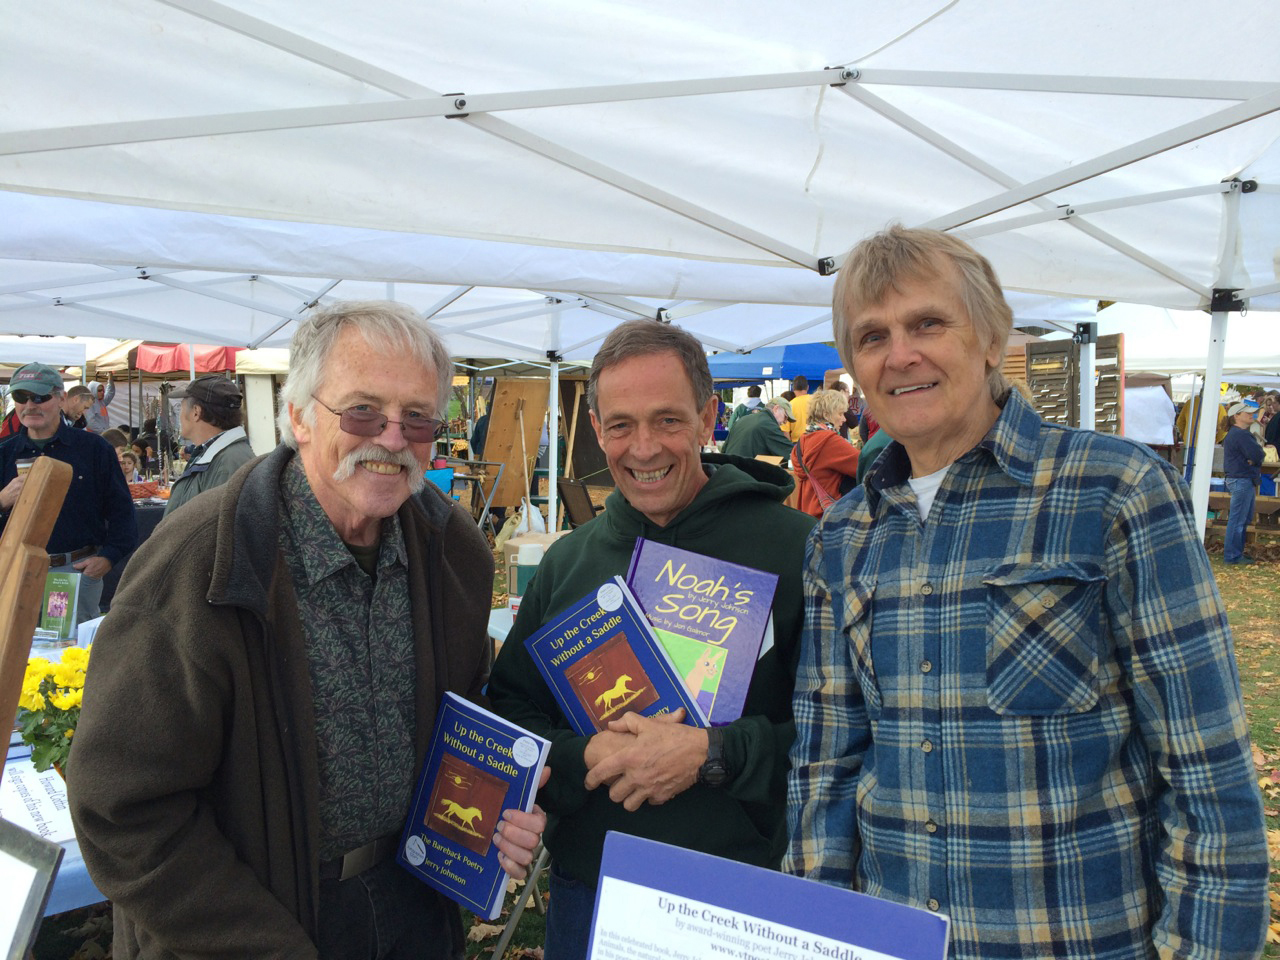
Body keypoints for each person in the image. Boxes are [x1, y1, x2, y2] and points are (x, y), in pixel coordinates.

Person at [784, 225, 1268, 960]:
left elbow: (1207, 767)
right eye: (872, 336)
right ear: (855, 366)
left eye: (928, 323)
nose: (900, 354)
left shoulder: (1115, 490)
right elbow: (826, 768)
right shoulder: (842, 535)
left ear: (990, 337)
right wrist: (814, 933)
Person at [68, 301, 547, 960]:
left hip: (415, 906)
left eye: (417, 417)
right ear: (298, 416)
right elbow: (122, 808)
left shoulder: (452, 549)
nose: (392, 439)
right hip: (251, 926)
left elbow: (460, 722)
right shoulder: (199, 563)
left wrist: (497, 810)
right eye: (363, 412)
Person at [488, 319, 814, 960]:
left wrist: (713, 753)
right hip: (593, 891)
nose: (643, 448)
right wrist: (589, 757)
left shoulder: (797, 550)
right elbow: (514, 710)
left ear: (708, 417)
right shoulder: (569, 562)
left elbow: (844, 733)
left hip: (743, 898)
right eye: (620, 425)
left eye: (667, 420)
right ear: (595, 429)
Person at [0, 363, 138, 624]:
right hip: (15, 574)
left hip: (69, 574)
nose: (30, 405)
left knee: (67, 648)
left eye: (40, 397)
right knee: (12, 647)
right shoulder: (4, 453)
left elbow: (122, 512)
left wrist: (108, 558)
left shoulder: (93, 449)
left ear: (61, 398)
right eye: (21, 397)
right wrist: (2, 500)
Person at [163, 374, 256, 516]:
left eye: (181, 408)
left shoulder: (228, 462)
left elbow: (220, 524)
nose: (179, 416)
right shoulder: (217, 455)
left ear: (196, 412)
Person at [789, 389, 859, 517]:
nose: (844, 419)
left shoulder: (804, 439)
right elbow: (863, 465)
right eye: (840, 414)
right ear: (827, 415)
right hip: (829, 513)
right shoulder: (829, 441)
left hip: (808, 510)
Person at [1223, 400, 1265, 565]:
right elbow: (1258, 454)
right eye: (1247, 413)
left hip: (1239, 478)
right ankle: (1232, 555)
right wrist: (1255, 459)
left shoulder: (1235, 433)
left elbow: (1255, 455)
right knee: (1238, 520)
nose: (1251, 415)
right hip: (1241, 479)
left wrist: (1254, 459)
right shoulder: (1241, 434)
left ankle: (1235, 554)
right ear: (1236, 416)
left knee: (1240, 519)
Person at [721, 396, 794, 459]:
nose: (785, 422)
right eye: (785, 417)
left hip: (728, 466)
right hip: (745, 469)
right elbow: (790, 453)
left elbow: (724, 449)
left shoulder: (743, 419)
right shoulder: (769, 425)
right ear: (776, 409)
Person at [785, 374, 811, 443]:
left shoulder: (789, 405)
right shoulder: (816, 402)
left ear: (793, 388)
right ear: (807, 387)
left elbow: (785, 431)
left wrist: (790, 446)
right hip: (814, 441)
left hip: (797, 443)